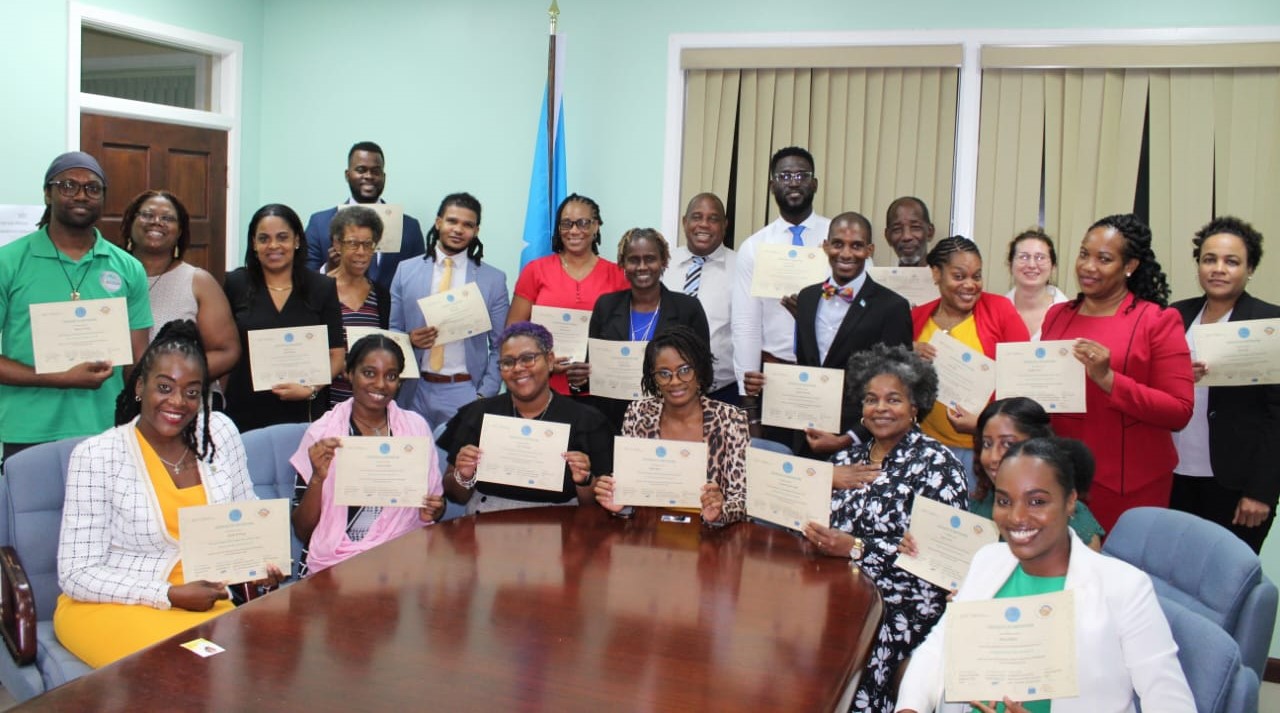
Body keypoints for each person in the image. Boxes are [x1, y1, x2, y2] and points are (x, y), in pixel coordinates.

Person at [894, 437, 1195, 713]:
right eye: (1004, 501)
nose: (1016, 517)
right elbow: (938, 649)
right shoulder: (988, 560)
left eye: (1037, 501)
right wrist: (911, 708)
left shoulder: (1124, 588)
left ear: (1070, 501)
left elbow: (1172, 703)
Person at [55, 320, 284, 668]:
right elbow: (76, 573)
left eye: (192, 392)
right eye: (165, 387)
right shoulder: (97, 455)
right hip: (113, 606)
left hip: (204, 601)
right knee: (178, 675)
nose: (178, 402)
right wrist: (168, 594)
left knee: (251, 669)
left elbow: (245, 511)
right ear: (141, 386)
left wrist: (261, 562)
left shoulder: (218, 432)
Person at [801, 343, 968, 713]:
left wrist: (856, 547)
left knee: (855, 648)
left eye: (894, 399)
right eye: (871, 399)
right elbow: (808, 521)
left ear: (915, 406)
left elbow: (937, 560)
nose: (880, 408)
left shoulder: (939, 466)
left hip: (903, 598)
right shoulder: (844, 459)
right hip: (832, 587)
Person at [1040, 214, 1193, 532]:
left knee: (1121, 575)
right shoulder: (1057, 316)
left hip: (1130, 485)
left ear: (1130, 266)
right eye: (1084, 254)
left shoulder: (1158, 321)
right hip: (1062, 476)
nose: (1088, 266)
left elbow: (1179, 411)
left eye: (1104, 259)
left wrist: (1108, 379)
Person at [0, 151, 152, 459]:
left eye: (93, 188)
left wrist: (143, 418)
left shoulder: (128, 267)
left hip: (105, 430)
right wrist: (59, 378)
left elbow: (137, 362)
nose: (81, 195)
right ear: (48, 193)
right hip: (27, 430)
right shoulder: (8, 262)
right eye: (68, 185)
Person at [748, 211, 912, 457]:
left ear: (870, 250)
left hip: (863, 442)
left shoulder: (892, 307)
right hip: (806, 436)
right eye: (838, 244)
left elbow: (900, 387)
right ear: (825, 246)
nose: (846, 254)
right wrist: (770, 383)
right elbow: (807, 366)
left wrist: (849, 438)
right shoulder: (807, 298)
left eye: (856, 246)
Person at [290, 334, 445, 575]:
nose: (381, 384)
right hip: (333, 567)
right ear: (349, 374)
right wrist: (318, 478)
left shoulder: (415, 429)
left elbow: (434, 506)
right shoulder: (323, 434)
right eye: (369, 373)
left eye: (391, 376)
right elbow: (302, 531)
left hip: (402, 561)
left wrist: (433, 509)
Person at [1171, 216, 1280, 553]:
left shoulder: (1270, 322)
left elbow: (1277, 415)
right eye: (1209, 259)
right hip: (1174, 474)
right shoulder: (1174, 316)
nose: (1218, 269)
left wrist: (1262, 490)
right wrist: (1178, 378)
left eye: (1231, 261)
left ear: (1250, 269)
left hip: (1237, 485)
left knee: (1228, 585)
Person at [440, 322, 613, 513]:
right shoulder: (477, 414)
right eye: (508, 362)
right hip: (487, 518)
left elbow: (597, 504)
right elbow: (455, 495)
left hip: (562, 524)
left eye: (528, 358)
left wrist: (585, 480)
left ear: (549, 360)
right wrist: (463, 476)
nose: (518, 368)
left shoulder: (587, 420)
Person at [593, 326, 747, 524]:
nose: (675, 381)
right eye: (664, 373)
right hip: (649, 535)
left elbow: (741, 499)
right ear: (653, 378)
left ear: (699, 371)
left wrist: (721, 509)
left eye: (684, 370)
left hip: (710, 536)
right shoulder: (638, 413)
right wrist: (619, 501)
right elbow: (629, 487)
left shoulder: (731, 419)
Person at [911, 237, 1029, 489]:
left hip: (985, 452)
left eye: (976, 276)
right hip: (926, 447)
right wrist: (907, 355)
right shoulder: (918, 316)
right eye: (959, 276)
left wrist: (982, 424)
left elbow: (1023, 385)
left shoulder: (1000, 310)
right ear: (936, 273)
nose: (970, 285)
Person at [390, 192, 509, 430]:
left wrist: (485, 393)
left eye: (467, 225)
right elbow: (392, 330)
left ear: (476, 231)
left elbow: (501, 345)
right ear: (438, 222)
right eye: (452, 221)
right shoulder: (406, 270)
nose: (458, 229)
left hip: (465, 390)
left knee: (456, 465)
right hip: (414, 389)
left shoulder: (493, 280)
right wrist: (409, 340)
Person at [223, 204, 346, 432]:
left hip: (304, 408)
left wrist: (311, 388)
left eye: (282, 237)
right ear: (253, 244)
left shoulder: (322, 286)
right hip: (245, 407)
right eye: (264, 238)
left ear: (297, 241)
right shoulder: (234, 284)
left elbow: (337, 355)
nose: (273, 246)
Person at [576, 228, 710, 433]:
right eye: (633, 260)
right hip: (611, 421)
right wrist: (579, 380)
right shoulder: (606, 306)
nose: (642, 267)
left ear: (664, 261)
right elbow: (591, 370)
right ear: (622, 264)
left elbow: (704, 372)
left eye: (650, 259)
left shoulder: (688, 308)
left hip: (671, 420)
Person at [121, 190, 240, 402]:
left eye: (167, 218)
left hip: (181, 405)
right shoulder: (107, 276)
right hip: (110, 404)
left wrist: (174, 378)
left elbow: (227, 351)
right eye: (147, 215)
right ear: (130, 223)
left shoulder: (198, 282)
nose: (156, 222)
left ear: (179, 232)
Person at [731, 146, 831, 392]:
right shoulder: (754, 247)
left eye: (802, 175)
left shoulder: (840, 240)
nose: (794, 183)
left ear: (815, 183)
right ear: (772, 186)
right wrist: (747, 395)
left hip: (829, 371)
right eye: (784, 176)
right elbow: (746, 324)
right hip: (773, 373)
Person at [507, 193, 629, 394]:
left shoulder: (617, 274)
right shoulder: (536, 270)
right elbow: (513, 332)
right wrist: (543, 363)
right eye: (566, 224)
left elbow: (625, 335)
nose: (574, 230)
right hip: (541, 389)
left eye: (582, 223)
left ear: (596, 226)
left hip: (600, 389)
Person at [966, 397, 1104, 550]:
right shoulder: (981, 504)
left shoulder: (1072, 519)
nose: (993, 457)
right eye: (987, 444)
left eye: (1007, 444)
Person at [303, 141, 426, 290]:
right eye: (361, 170)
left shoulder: (409, 227)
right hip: (337, 311)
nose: (369, 176)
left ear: (384, 176)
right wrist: (329, 267)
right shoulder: (319, 223)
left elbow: (418, 280)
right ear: (347, 175)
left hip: (391, 312)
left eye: (376, 171)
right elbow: (304, 279)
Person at [661, 192, 738, 404]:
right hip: (664, 390)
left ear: (725, 225)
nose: (703, 225)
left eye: (713, 219)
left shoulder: (742, 269)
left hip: (721, 393)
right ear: (685, 222)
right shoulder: (662, 264)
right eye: (696, 217)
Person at [325, 206, 391, 408]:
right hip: (327, 403)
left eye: (368, 244)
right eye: (353, 244)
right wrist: (338, 366)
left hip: (369, 404)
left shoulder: (380, 295)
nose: (361, 252)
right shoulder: (319, 290)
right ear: (337, 244)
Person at [1004, 228, 1069, 339]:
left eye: (1040, 258)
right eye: (1024, 257)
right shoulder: (997, 312)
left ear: (1053, 266)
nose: (1032, 265)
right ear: (1010, 265)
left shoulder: (1068, 315)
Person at [884, 196, 935, 267]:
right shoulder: (881, 277)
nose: (906, 237)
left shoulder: (944, 277)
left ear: (930, 232)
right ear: (887, 237)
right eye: (897, 229)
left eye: (915, 227)